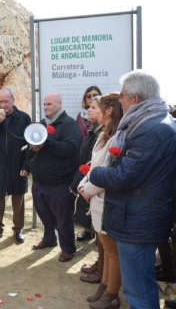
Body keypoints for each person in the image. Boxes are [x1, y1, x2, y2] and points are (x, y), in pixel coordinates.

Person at [89, 70, 176, 309]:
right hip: (137, 214)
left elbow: (125, 176)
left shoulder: (150, 129)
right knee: (139, 285)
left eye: (123, 97)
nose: (120, 102)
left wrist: (95, 173)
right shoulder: (150, 122)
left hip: (139, 219)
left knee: (139, 289)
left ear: (135, 99)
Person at [23, 92, 82, 262]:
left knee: (63, 219)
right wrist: (26, 166)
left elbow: (72, 148)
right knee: (45, 215)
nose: (45, 107)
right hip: (40, 181)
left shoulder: (68, 124)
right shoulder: (41, 124)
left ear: (59, 104)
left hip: (60, 182)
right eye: (44, 104)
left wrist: (47, 143)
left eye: (49, 104)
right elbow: (29, 150)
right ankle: (49, 239)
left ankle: (68, 248)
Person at [78, 93, 124, 308]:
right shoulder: (103, 134)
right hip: (95, 197)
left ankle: (111, 294)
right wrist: (82, 184)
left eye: (97, 106)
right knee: (105, 248)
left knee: (112, 252)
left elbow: (107, 170)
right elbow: (93, 165)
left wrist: (87, 189)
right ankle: (104, 287)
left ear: (109, 111)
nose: (90, 108)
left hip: (105, 199)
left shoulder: (117, 138)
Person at [0, 88, 31, 243]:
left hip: (18, 167)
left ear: (13, 100)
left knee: (18, 202)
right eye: (0, 101)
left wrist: (26, 166)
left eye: (6, 101)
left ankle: (18, 230)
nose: (3, 104)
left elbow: (30, 145)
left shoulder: (24, 118)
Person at [71, 96, 104, 284]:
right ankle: (100, 264)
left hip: (97, 189)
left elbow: (95, 164)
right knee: (99, 233)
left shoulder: (105, 133)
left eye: (93, 107)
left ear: (105, 111)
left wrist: (83, 185)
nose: (88, 109)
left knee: (102, 234)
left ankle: (103, 270)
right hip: (89, 185)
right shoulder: (95, 131)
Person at [74, 86, 102, 241]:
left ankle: (98, 232)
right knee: (85, 196)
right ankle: (88, 230)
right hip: (83, 154)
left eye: (95, 95)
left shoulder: (104, 121)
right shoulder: (80, 117)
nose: (91, 98)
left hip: (96, 157)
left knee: (94, 194)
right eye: (88, 96)